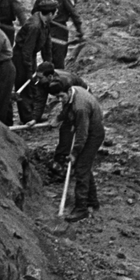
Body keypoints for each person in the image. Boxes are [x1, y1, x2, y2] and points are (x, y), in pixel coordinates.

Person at [48, 75, 104, 220]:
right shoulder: (73, 91)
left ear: (67, 91)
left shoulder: (80, 107)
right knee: (84, 167)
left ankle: (81, 209)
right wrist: (59, 118)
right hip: (87, 131)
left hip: (93, 135)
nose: (60, 100)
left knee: (80, 169)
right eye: (57, 98)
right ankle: (93, 202)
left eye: (61, 96)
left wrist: (74, 153)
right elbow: (67, 108)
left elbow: (82, 134)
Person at [33, 0, 82, 65]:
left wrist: (79, 31)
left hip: (59, 32)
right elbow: (34, 12)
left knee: (58, 60)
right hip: (46, 32)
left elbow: (73, 14)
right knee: (47, 61)